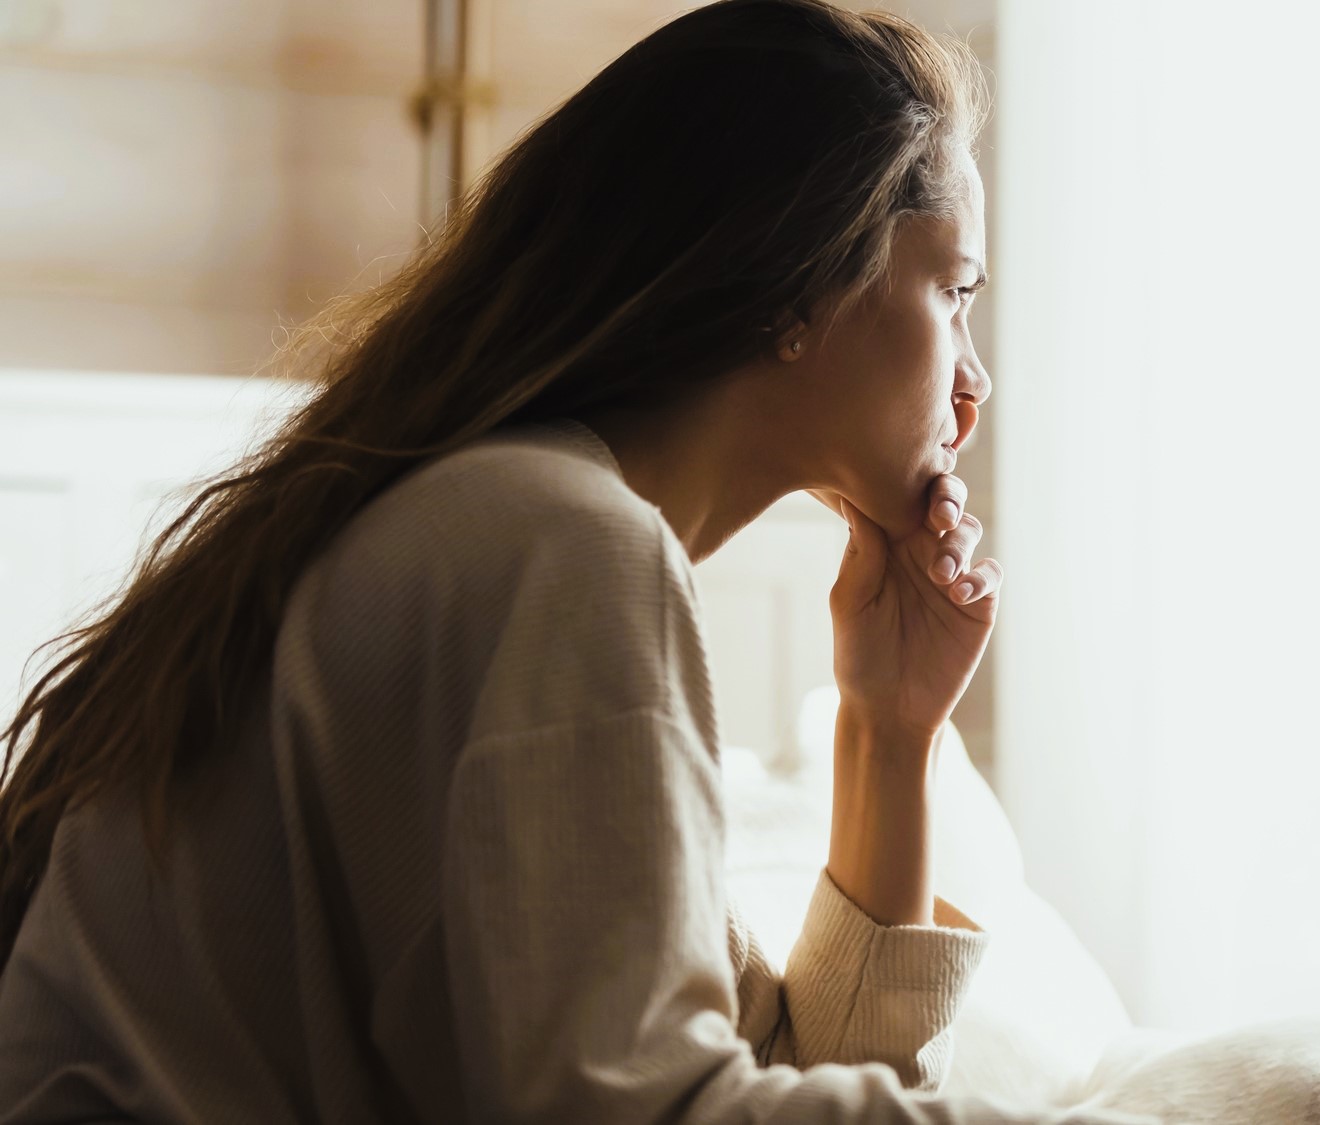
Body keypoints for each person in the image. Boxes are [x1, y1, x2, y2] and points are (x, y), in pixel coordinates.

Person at [0, 2, 1134, 1120]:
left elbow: (773, 1079)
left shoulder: (513, 517)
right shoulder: (553, 540)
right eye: (956, 292)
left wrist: (889, 733)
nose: (975, 384)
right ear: (800, 278)